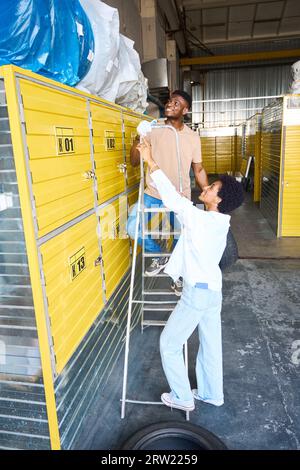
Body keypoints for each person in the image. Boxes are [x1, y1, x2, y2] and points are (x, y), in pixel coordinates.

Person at [137, 139, 244, 412]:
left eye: (211, 188)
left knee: (169, 344)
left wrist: (150, 159)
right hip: (213, 293)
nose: (205, 188)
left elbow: (172, 198)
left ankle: (183, 397)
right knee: (210, 345)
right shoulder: (221, 222)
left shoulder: (200, 220)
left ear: (218, 199)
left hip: (197, 293)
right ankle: (211, 393)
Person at [127, 90, 208, 295]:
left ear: (186, 110)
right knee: (131, 227)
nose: (171, 104)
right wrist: (139, 134)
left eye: (177, 102)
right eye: (170, 101)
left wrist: (208, 194)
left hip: (180, 198)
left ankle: (177, 276)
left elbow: (198, 169)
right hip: (153, 194)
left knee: (184, 238)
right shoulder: (154, 129)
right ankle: (161, 255)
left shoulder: (192, 137)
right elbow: (134, 162)